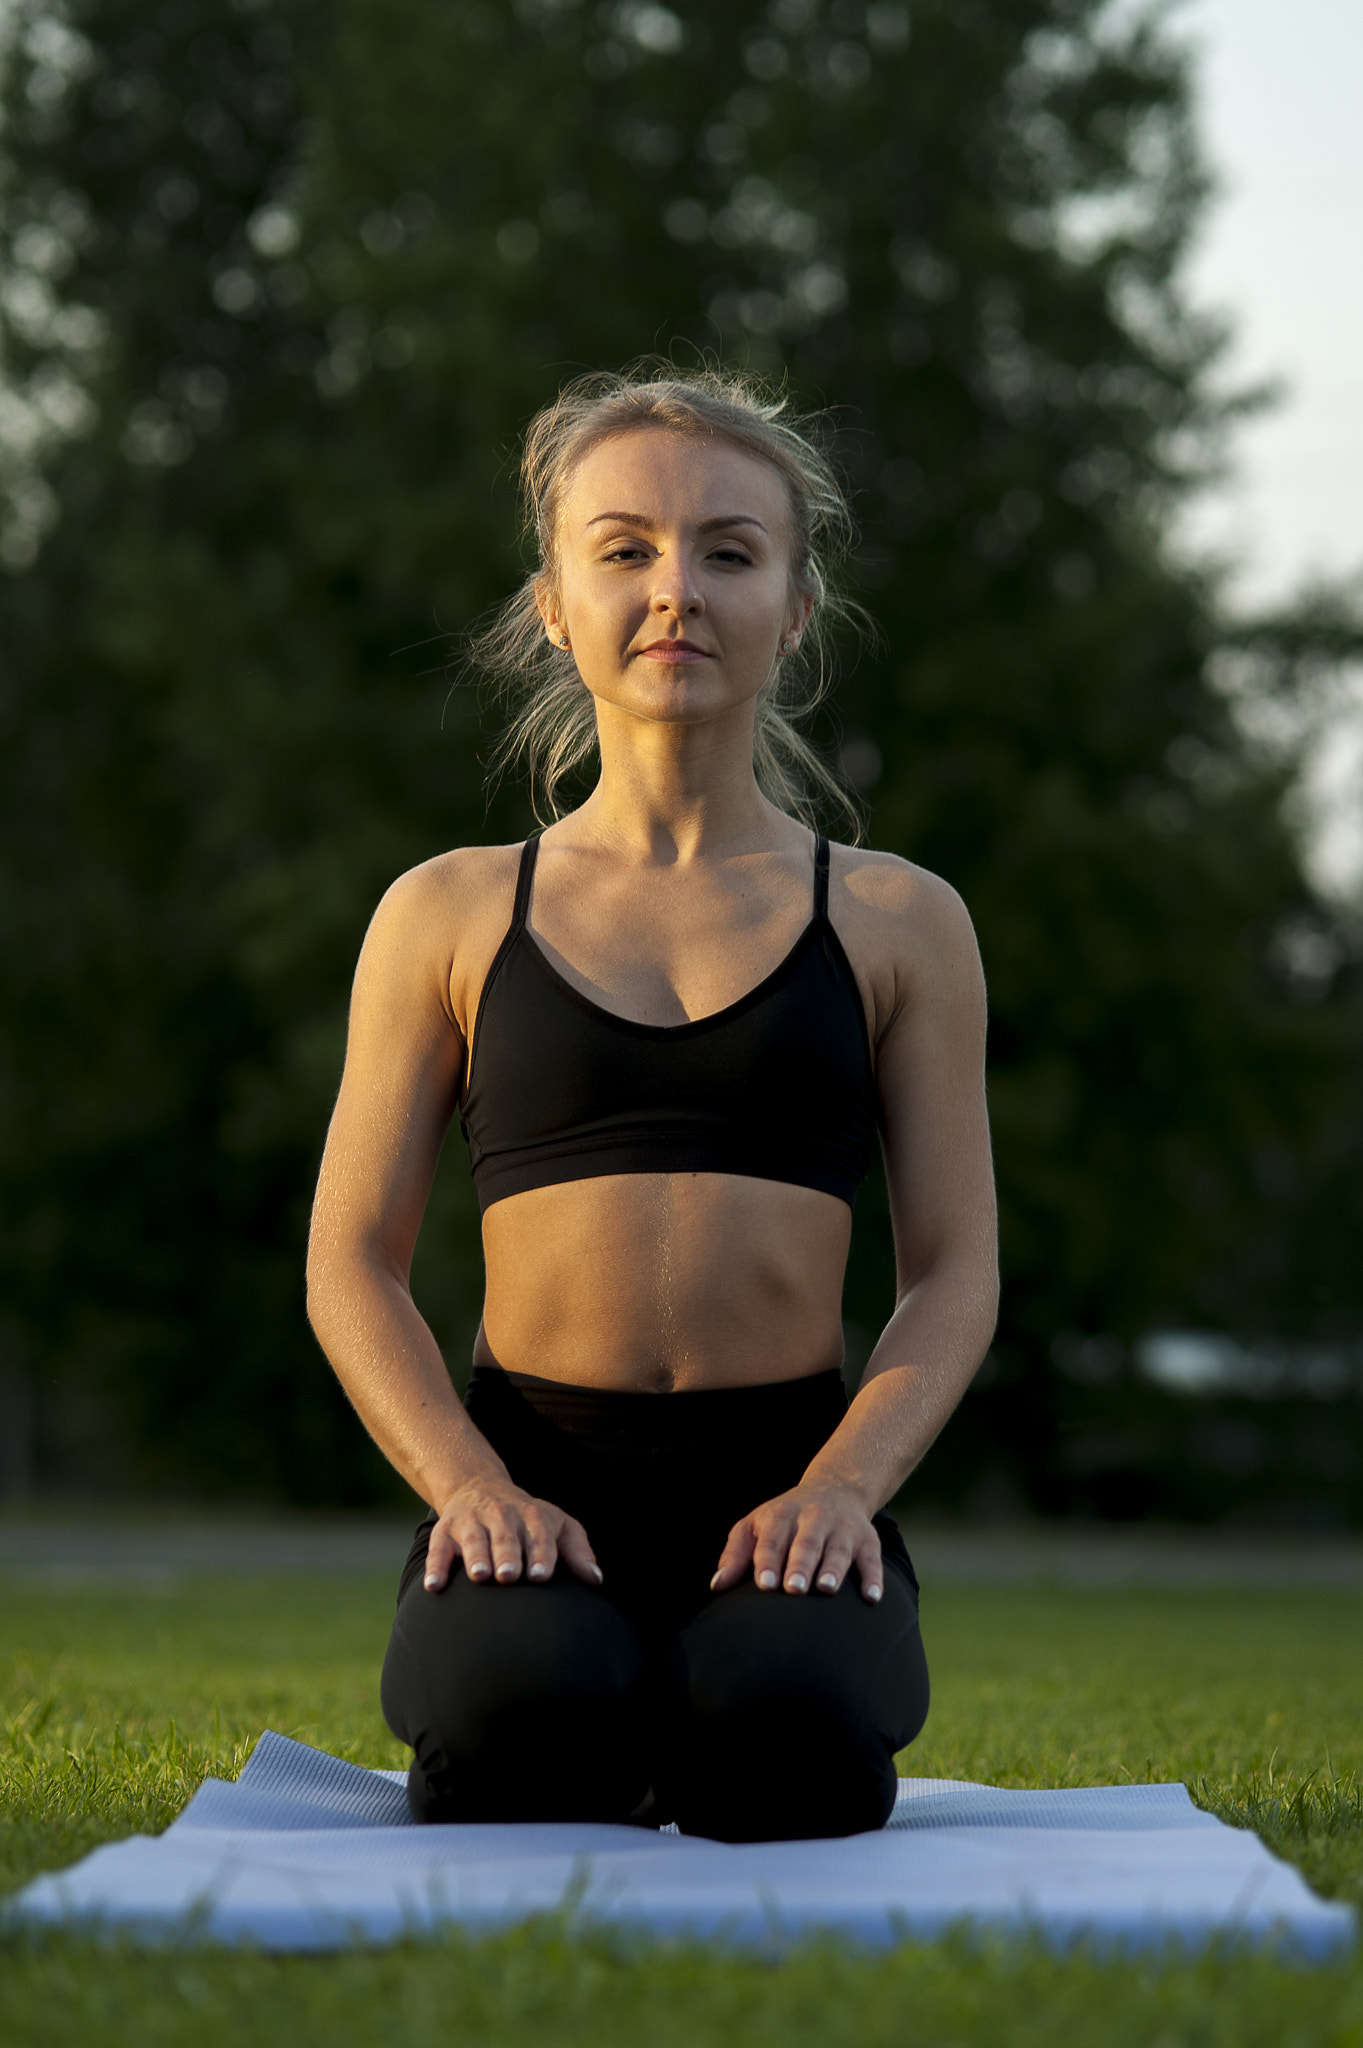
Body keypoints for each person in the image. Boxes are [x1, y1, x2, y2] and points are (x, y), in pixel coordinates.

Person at [306, 367, 998, 1842]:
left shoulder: (896, 920)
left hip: (791, 1501)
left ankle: (715, 1694)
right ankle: (596, 1689)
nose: (674, 588)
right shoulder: (447, 912)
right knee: (513, 1744)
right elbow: (348, 1260)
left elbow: (955, 1272)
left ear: (795, 609)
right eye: (623, 549)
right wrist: (470, 1488)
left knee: (791, 1756)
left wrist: (841, 1495)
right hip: (531, 1493)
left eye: (729, 552)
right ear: (554, 601)